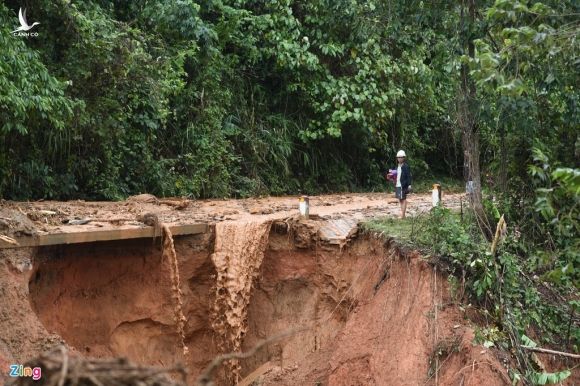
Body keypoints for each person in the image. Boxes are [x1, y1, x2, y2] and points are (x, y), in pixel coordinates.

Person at [394, 150, 412, 219]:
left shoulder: (406, 166)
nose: (399, 159)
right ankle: (403, 215)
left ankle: (403, 215)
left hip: (403, 185)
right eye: (398, 157)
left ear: (404, 158)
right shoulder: (397, 167)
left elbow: (408, 176)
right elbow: (396, 176)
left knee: (403, 199)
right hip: (398, 185)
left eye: (401, 157)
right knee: (400, 199)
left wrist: (409, 184)